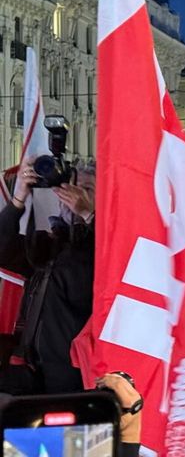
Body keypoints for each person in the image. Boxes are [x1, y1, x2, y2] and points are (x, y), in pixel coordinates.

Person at [0, 157, 95, 395]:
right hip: (29, 374)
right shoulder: (50, 243)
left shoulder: (104, 247)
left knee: (71, 434)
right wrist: (19, 198)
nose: (75, 195)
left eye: (87, 189)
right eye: (72, 187)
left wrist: (89, 215)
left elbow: (118, 261)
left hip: (75, 378)